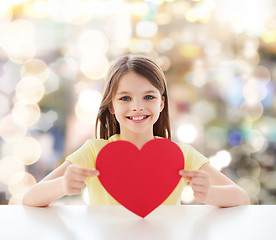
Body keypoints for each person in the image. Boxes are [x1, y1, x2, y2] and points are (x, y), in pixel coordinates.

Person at [23, 54, 250, 207]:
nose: (137, 107)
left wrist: (210, 193)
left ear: (161, 103)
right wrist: (62, 185)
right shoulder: (94, 152)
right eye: (125, 98)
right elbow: (30, 198)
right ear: (111, 105)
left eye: (148, 97)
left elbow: (241, 198)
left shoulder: (181, 155)